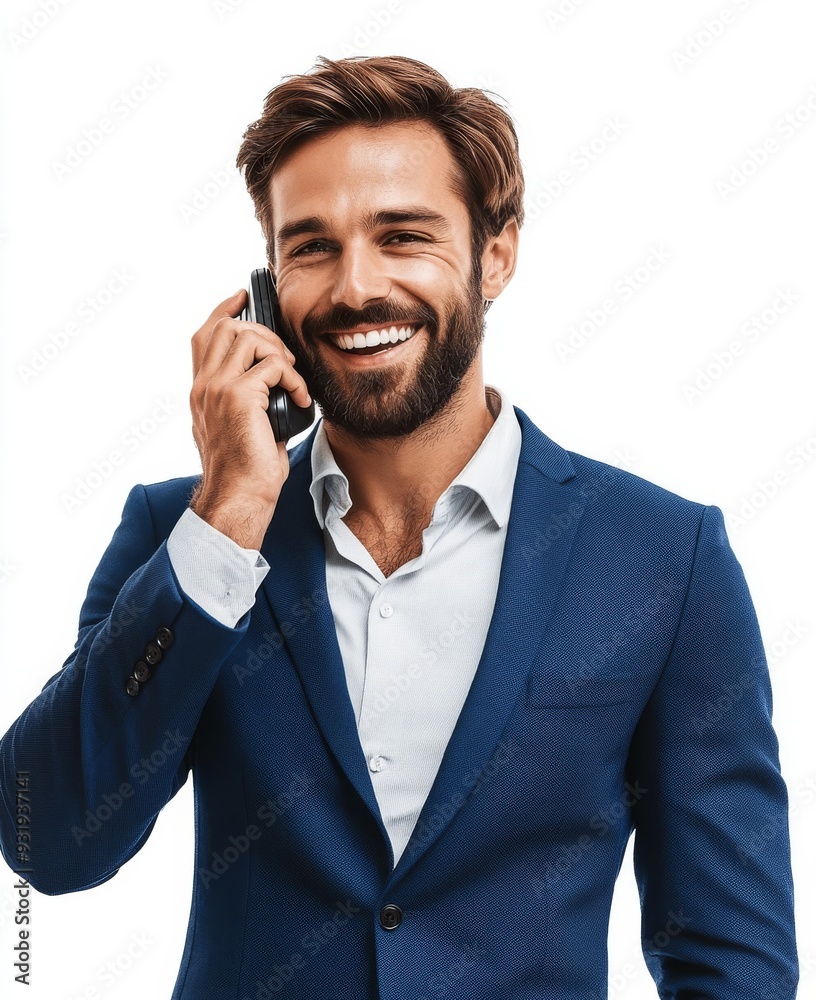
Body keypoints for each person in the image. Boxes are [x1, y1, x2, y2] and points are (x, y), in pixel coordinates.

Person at [0, 54, 798, 1000]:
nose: (354, 288)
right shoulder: (183, 534)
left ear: (495, 252)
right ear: (263, 290)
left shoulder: (667, 562)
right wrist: (232, 514)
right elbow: (47, 840)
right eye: (310, 247)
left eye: (403, 234)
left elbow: (732, 956)